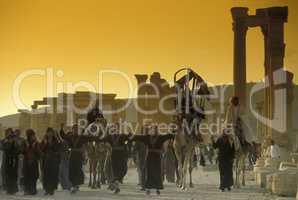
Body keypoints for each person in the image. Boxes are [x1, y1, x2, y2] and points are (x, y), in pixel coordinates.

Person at [131, 126, 175, 195]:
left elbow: (168, 136)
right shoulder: (147, 137)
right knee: (149, 172)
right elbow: (139, 137)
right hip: (149, 157)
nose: (153, 131)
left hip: (157, 157)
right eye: (152, 130)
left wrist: (173, 133)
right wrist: (132, 136)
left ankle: (157, 188)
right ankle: (148, 188)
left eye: (155, 130)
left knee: (157, 172)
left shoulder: (160, 137)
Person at [59, 124, 98, 193]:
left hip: (78, 156)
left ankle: (76, 185)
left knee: (77, 169)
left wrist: (94, 132)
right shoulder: (70, 137)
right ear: (72, 130)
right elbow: (63, 136)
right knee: (71, 170)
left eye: (77, 129)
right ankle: (74, 185)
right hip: (72, 155)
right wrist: (61, 128)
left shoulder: (81, 137)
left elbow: (90, 138)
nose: (75, 130)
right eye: (74, 129)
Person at [99, 123, 131, 194]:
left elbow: (129, 138)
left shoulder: (122, 135)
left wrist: (130, 132)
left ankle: (115, 183)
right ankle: (115, 186)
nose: (115, 129)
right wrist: (103, 143)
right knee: (112, 171)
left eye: (117, 128)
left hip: (121, 155)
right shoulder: (109, 136)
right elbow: (102, 140)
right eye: (113, 128)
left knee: (123, 169)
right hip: (113, 155)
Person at [40, 128, 61, 195]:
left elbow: (57, 149)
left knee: (53, 175)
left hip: (53, 160)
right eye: (48, 132)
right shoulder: (44, 140)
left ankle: (51, 189)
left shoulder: (56, 140)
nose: (50, 134)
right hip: (46, 160)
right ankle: (46, 189)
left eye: (51, 132)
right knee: (46, 175)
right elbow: (41, 149)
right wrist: (46, 143)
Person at [2, 128, 22, 194]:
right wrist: (8, 143)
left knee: (14, 174)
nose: (10, 134)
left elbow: (19, 150)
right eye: (8, 133)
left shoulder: (15, 141)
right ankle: (8, 189)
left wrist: (15, 144)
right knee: (7, 174)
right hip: (7, 160)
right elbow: (3, 148)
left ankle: (13, 189)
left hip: (14, 160)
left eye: (11, 133)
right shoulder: (4, 141)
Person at [22, 129, 41, 195]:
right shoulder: (25, 142)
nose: (32, 136)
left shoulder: (36, 143)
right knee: (27, 176)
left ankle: (32, 190)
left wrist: (35, 148)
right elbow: (22, 151)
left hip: (33, 162)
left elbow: (39, 153)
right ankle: (27, 190)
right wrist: (27, 147)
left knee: (33, 176)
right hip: (27, 161)